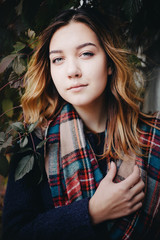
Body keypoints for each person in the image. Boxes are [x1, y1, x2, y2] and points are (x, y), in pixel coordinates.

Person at [2, 7, 160, 240]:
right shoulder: (34, 141)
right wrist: (91, 212)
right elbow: (14, 233)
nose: (72, 71)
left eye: (86, 54)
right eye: (58, 59)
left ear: (109, 63)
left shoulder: (155, 135)